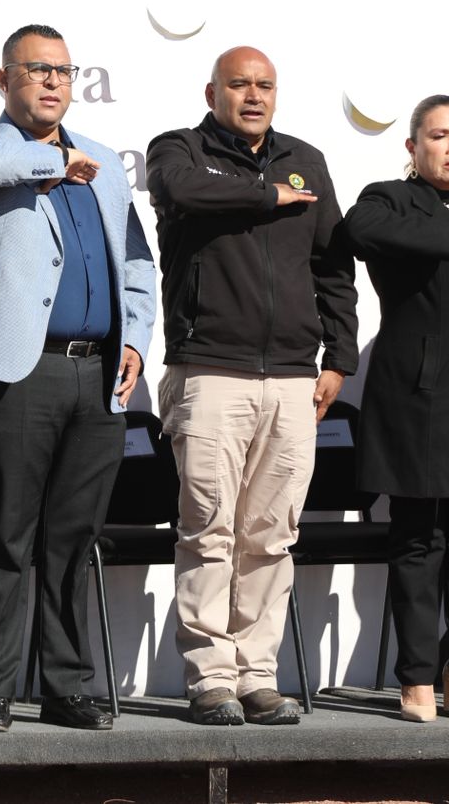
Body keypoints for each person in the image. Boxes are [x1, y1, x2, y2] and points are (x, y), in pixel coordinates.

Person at [0, 23, 155, 733]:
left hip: (97, 373)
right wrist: (55, 161)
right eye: (37, 70)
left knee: (74, 536)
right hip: (16, 369)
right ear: (4, 80)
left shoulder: (104, 162)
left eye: (63, 71)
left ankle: (65, 685)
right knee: (7, 530)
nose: (53, 82)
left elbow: (136, 259)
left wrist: (136, 337)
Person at [147, 46, 357, 726]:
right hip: (210, 370)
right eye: (239, 84)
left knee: (271, 536)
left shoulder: (307, 159)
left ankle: (256, 676)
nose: (254, 95)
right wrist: (268, 195)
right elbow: (182, 192)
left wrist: (339, 357)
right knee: (208, 531)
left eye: (265, 84)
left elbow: (333, 266)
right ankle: (211, 678)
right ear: (213, 93)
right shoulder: (179, 150)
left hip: (293, 378)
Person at [340, 94, 449, 723]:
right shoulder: (390, 199)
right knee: (419, 538)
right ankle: (417, 677)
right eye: (439, 135)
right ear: (413, 146)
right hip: (419, 393)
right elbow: (359, 230)